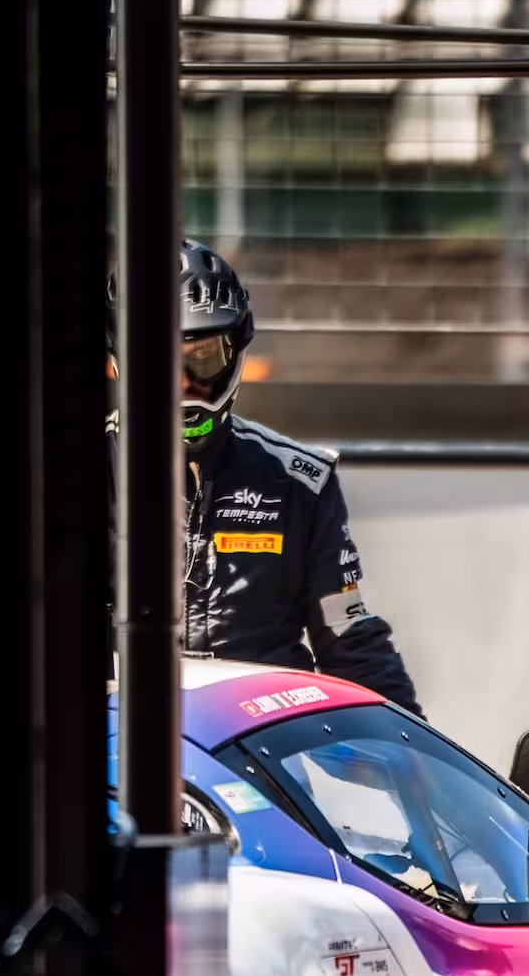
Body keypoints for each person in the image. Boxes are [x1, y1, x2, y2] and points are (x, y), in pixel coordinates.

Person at [111, 244, 422, 712]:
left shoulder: (298, 481)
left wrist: (412, 765)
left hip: (252, 752)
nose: (182, 386)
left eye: (201, 360)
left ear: (238, 349)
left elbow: (350, 640)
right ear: (117, 362)